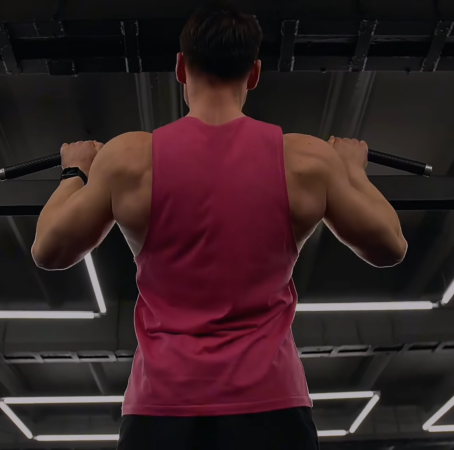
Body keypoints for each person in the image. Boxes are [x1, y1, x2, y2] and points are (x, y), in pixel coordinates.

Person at [31, 2, 407, 448]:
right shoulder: (307, 160)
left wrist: (75, 172)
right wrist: (352, 171)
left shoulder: (129, 159)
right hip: (272, 406)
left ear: (180, 68)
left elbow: (49, 251)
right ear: (254, 74)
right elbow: (390, 246)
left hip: (163, 409)